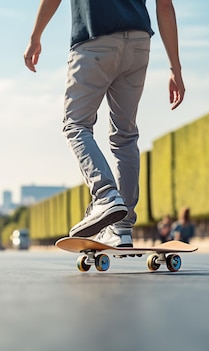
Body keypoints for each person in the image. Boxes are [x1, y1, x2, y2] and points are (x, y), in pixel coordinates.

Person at [24, 0, 185, 247]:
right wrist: (175, 68)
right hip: (139, 42)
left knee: (75, 125)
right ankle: (122, 228)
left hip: (94, 40)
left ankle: (105, 194)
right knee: (126, 135)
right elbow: (164, 5)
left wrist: (36, 36)